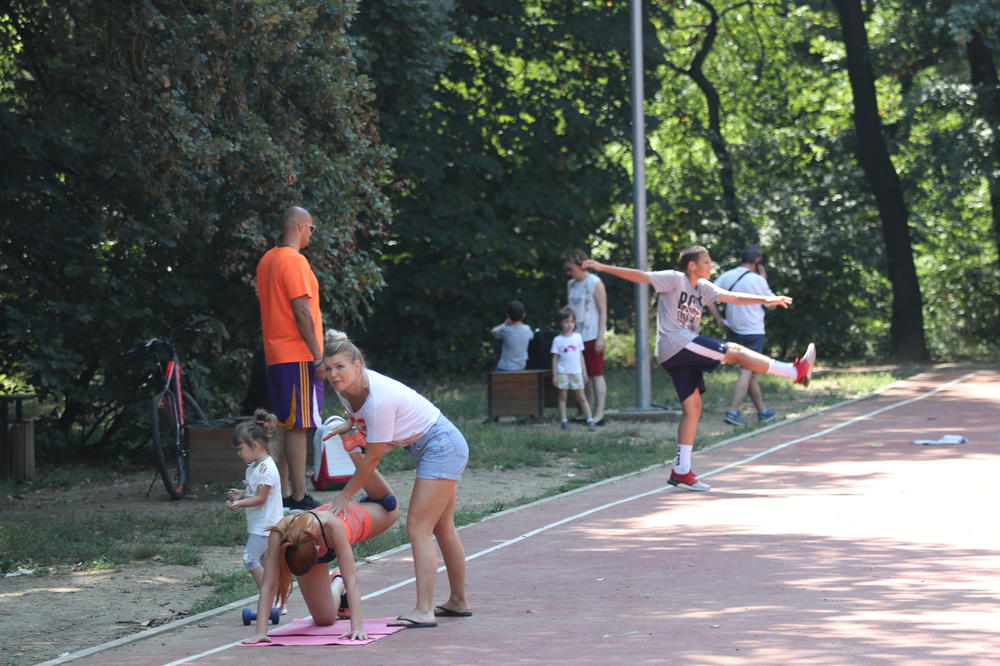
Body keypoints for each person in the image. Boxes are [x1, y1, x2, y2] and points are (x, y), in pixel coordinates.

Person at [582, 246, 815, 491]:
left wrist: (768, 299)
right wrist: (602, 267)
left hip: (678, 353)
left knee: (693, 407)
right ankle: (794, 372)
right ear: (692, 265)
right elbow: (641, 276)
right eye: (706, 262)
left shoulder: (703, 287)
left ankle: (681, 471)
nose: (710, 266)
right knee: (733, 351)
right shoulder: (674, 279)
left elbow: (733, 297)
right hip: (677, 343)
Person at [321, 329, 472, 628]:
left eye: (340, 367)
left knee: (418, 527)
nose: (334, 374)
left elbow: (374, 457)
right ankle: (458, 601)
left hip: (441, 445)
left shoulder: (380, 398)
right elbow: (363, 424)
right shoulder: (344, 389)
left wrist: (345, 496)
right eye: (329, 368)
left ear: (358, 365)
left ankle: (424, 610)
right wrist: (349, 427)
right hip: (430, 445)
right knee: (443, 528)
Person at [241, 458, 400, 644]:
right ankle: (336, 581)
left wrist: (357, 628)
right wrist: (261, 632)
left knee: (390, 507)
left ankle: (357, 454)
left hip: (357, 521)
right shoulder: (281, 532)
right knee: (325, 620)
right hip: (309, 545)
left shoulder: (331, 525)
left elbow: (353, 580)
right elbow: (268, 583)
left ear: (317, 549)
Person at [256, 206, 325, 511]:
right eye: (312, 228)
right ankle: (299, 495)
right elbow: (301, 310)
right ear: (300, 226)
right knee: (298, 425)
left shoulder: (267, 260)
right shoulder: (294, 261)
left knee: (285, 423)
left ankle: (281, 493)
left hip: (275, 353)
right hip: (297, 353)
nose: (312, 233)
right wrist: (318, 354)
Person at [706, 245, 779, 426]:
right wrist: (764, 280)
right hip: (753, 331)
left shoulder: (726, 276)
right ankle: (733, 412)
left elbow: (708, 297)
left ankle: (763, 412)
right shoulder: (757, 280)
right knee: (746, 372)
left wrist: (718, 319)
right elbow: (772, 305)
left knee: (750, 373)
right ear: (757, 260)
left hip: (733, 329)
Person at [226, 409, 285, 616]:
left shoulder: (267, 469)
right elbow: (254, 491)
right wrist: (241, 494)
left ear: (255, 446)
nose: (238, 453)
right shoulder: (254, 468)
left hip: (266, 526)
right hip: (262, 525)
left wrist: (240, 504)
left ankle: (272, 598)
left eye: (240, 448)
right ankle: (276, 601)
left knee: (249, 559)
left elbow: (261, 498)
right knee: (266, 565)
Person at [563, 249, 608, 424]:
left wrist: (600, 337)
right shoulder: (571, 284)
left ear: (580, 265)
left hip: (591, 335)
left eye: (570, 268)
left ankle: (599, 413)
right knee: (583, 375)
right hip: (575, 336)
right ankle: (585, 411)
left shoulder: (594, 282)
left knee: (596, 374)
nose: (568, 273)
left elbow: (603, 311)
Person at [550, 307, 595, 431]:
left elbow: (580, 355)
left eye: (571, 322)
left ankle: (590, 419)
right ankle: (564, 420)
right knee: (562, 397)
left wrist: (584, 371)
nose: (569, 325)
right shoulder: (558, 340)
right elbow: (554, 358)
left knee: (581, 397)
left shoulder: (578, 337)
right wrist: (554, 375)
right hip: (563, 372)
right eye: (566, 322)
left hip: (576, 372)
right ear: (560, 323)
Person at [490, 300, 534, 371]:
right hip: (521, 367)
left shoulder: (505, 330)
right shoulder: (527, 329)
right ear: (523, 315)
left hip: (505, 368)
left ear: (508, 316)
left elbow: (493, 331)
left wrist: (504, 323)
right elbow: (532, 337)